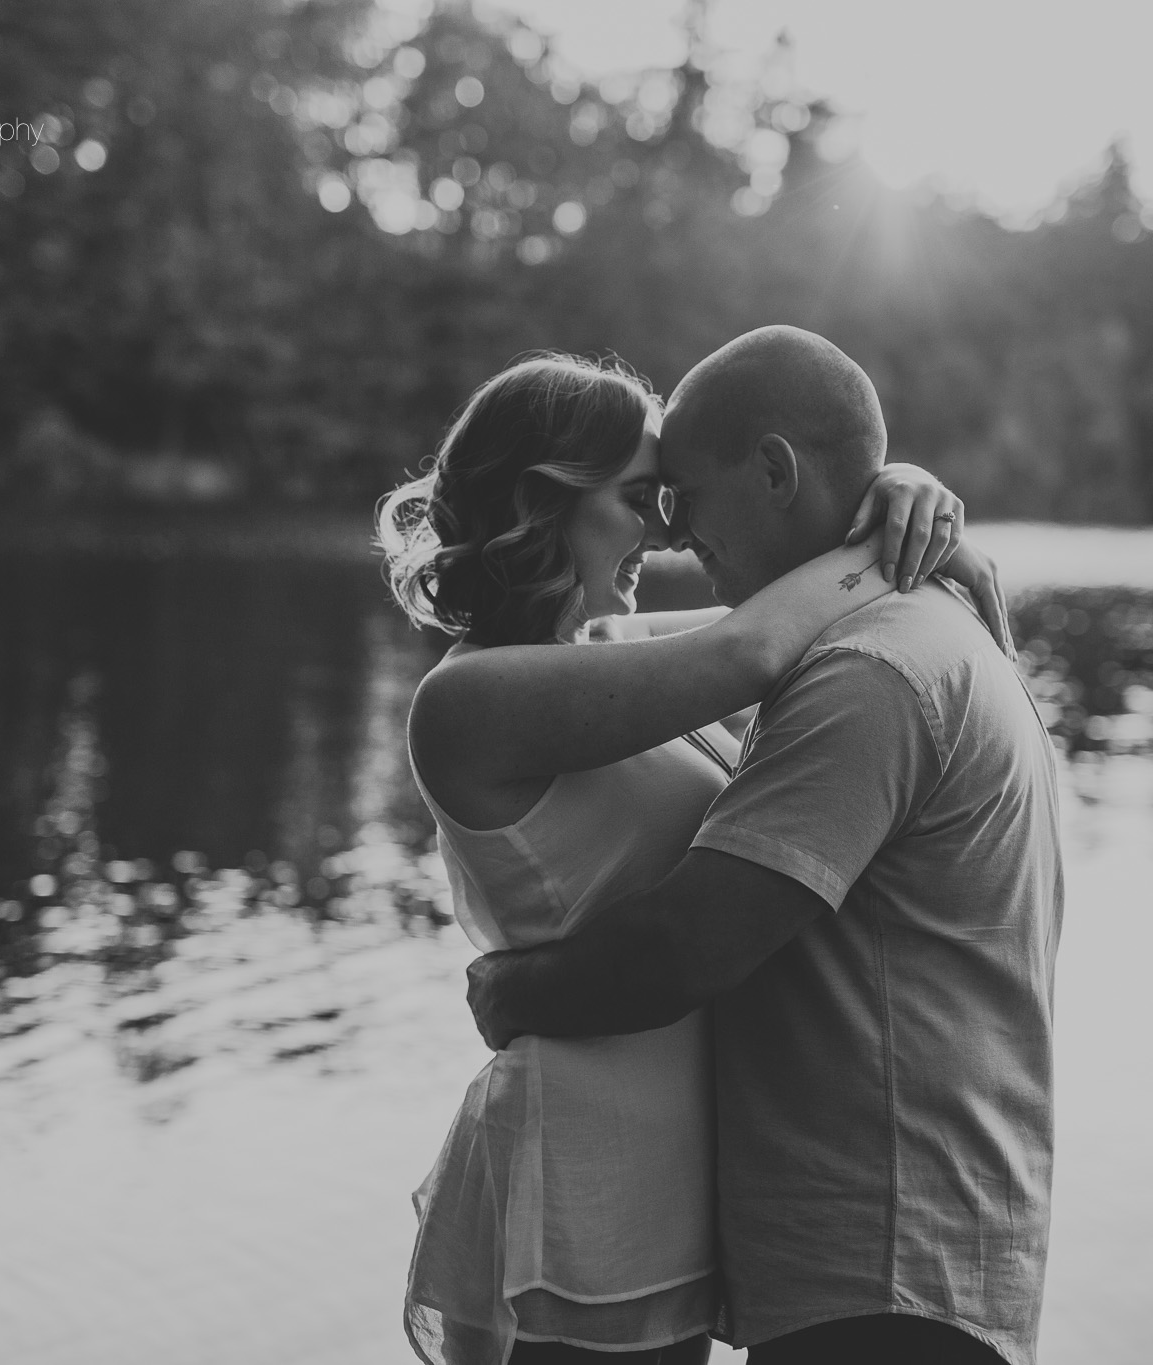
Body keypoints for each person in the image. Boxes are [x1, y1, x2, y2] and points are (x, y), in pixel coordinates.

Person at [377, 350, 1005, 1365]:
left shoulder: (607, 653)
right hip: (590, 1147)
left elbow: (796, 624)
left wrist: (897, 493)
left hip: (683, 1153)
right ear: (547, 502)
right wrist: (890, 547)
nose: (666, 527)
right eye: (637, 497)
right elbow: (756, 650)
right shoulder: (465, 702)